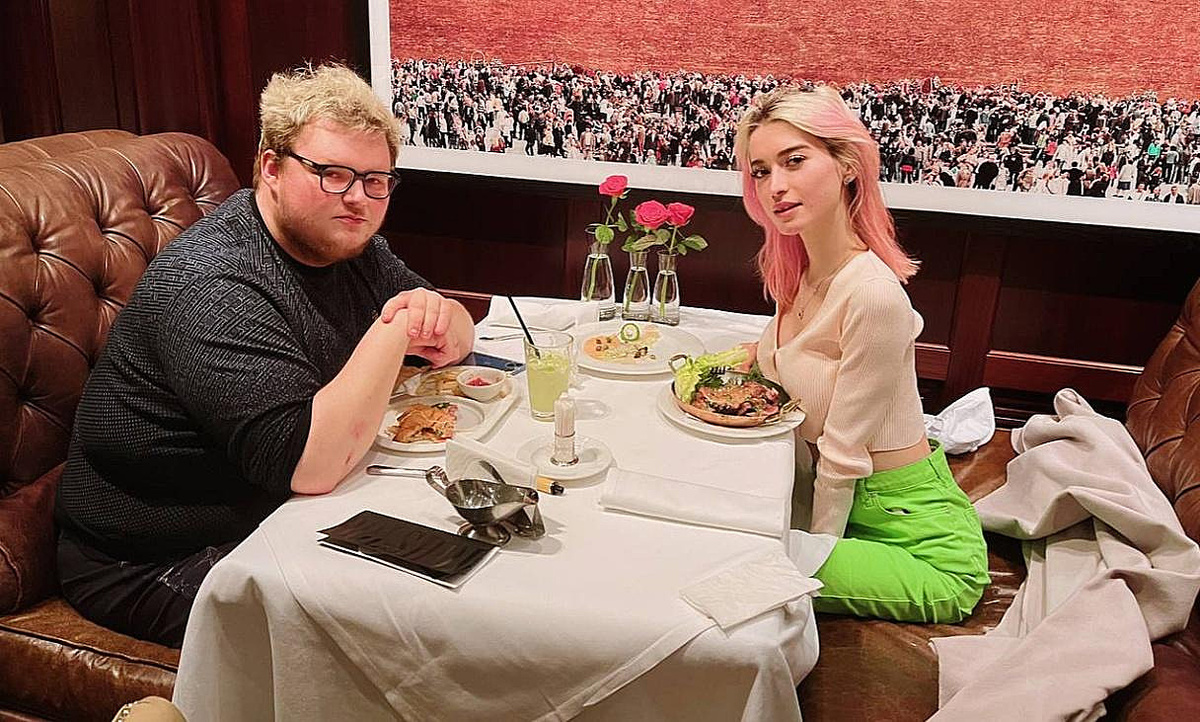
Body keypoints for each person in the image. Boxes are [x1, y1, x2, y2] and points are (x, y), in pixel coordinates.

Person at [54, 63, 476, 646]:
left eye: (376, 180)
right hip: (151, 559)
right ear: (271, 167)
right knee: (407, 627)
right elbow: (311, 465)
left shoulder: (346, 244)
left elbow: (450, 327)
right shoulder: (212, 281)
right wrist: (398, 327)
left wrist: (442, 319)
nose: (357, 198)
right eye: (332, 173)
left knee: (470, 569)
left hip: (278, 509)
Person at [733, 86, 988, 623]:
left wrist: (808, 566)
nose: (775, 186)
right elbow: (791, 360)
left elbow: (843, 459)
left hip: (922, 544)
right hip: (843, 503)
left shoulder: (872, 293)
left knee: (726, 563)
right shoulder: (799, 273)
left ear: (847, 164)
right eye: (760, 171)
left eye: (794, 161)